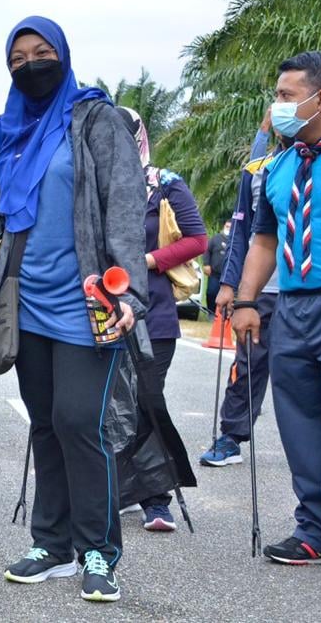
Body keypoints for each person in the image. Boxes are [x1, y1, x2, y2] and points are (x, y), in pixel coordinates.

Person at [0, 17, 146, 603]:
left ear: (64, 55)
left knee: (79, 421)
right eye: (18, 57)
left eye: (42, 52)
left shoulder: (100, 119)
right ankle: (52, 543)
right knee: (45, 422)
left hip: (89, 301)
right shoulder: (5, 130)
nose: (30, 64)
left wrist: (130, 292)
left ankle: (97, 549)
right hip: (25, 300)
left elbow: (122, 204)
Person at [232, 51, 321, 593]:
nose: (277, 107)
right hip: (294, 305)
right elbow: (265, 238)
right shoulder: (284, 164)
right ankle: (318, 532)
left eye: (286, 97)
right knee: (299, 420)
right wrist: (244, 299)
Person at [117, 107, 204, 532]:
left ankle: (156, 497)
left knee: (146, 400)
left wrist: (147, 260)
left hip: (154, 311)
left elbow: (197, 238)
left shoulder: (165, 184)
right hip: (99, 312)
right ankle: (112, 489)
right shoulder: (86, 187)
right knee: (107, 405)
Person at [201, 109, 280, 466]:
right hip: (259, 292)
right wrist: (230, 284)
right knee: (248, 366)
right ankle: (231, 435)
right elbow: (240, 233)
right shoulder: (256, 169)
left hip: (314, 291)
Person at [203, 220, 230, 312]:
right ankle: (210, 312)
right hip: (214, 273)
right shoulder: (215, 239)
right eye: (227, 226)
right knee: (211, 292)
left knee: (227, 295)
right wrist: (206, 264)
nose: (228, 229)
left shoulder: (234, 241)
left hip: (228, 275)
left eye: (230, 227)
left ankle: (222, 314)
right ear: (224, 226)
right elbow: (206, 251)